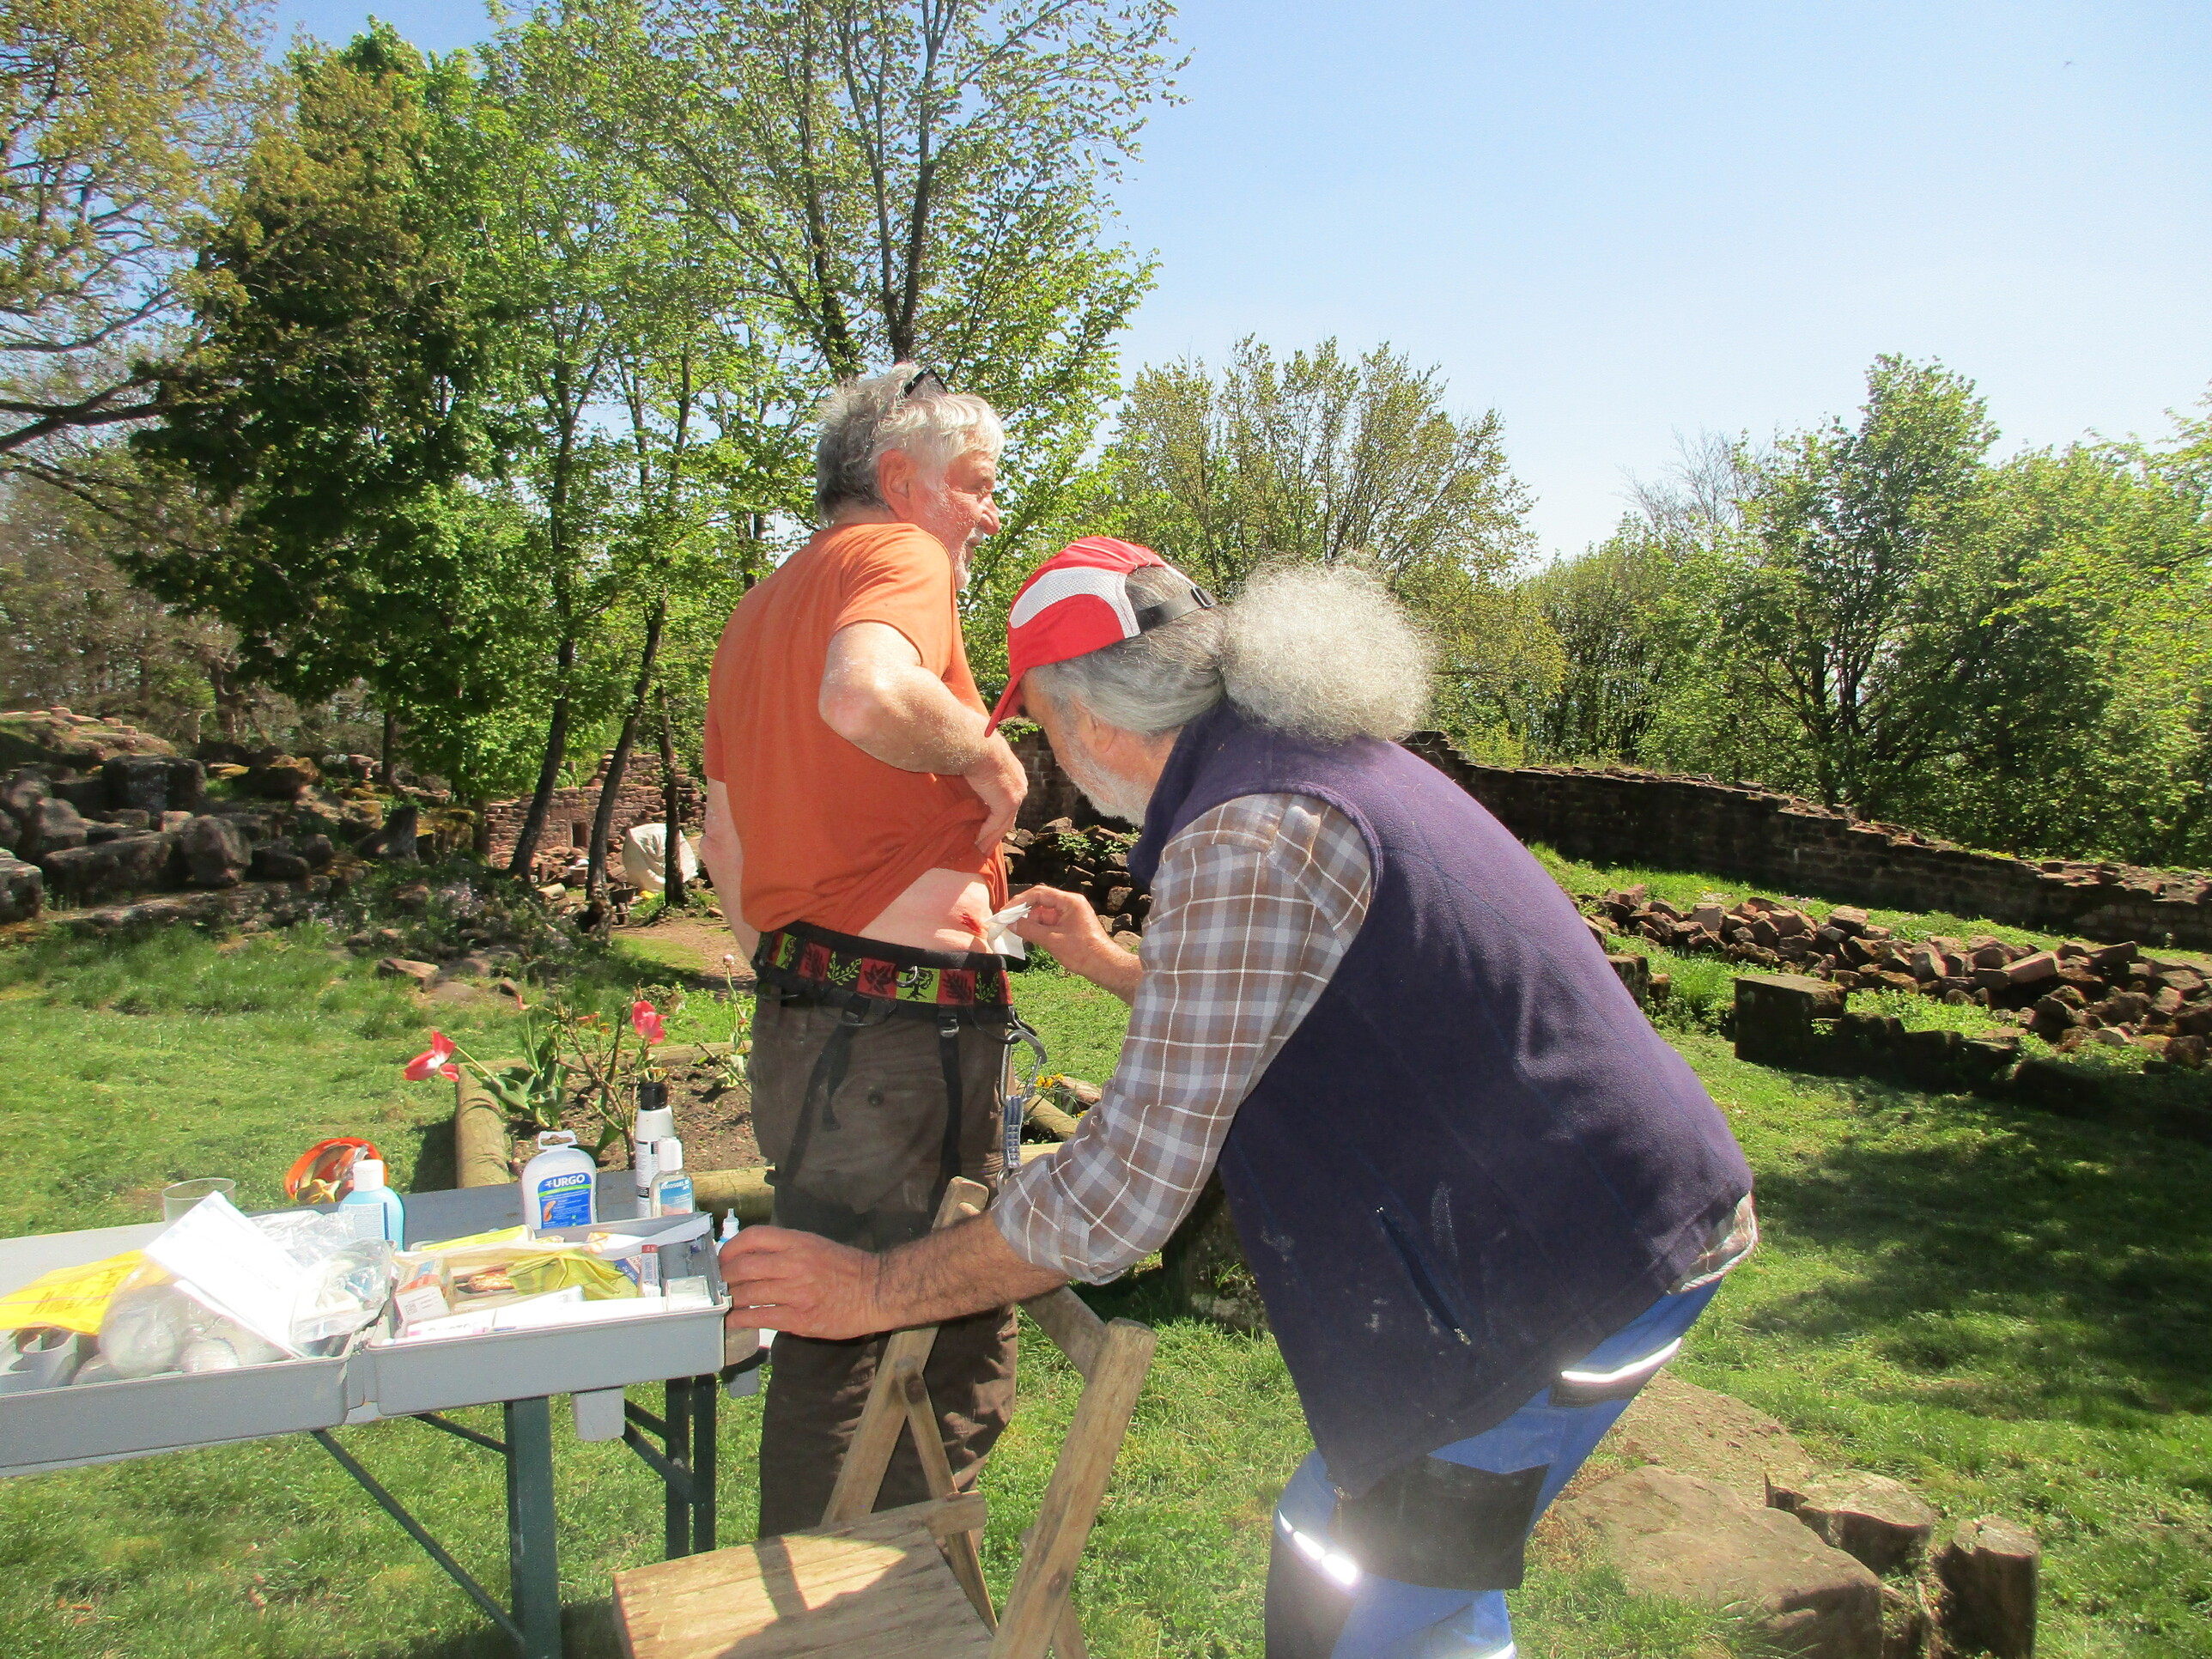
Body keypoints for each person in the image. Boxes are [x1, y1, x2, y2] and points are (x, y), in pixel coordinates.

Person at [720, 539, 1758, 1659]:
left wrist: (872, 1288)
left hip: (1562, 1273)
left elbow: (1119, 1201)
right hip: (1577, 1231)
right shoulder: (1298, 765)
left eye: (1045, 725)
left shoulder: (1250, 833)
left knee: (1367, 1614)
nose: (1053, 754)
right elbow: (1268, 1006)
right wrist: (1108, 960)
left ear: (1088, 718)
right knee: (1360, 1569)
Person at [696, 364, 1030, 1537]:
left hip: (812, 1025)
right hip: (902, 1044)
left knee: (827, 1331)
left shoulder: (759, 608)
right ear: (900, 480)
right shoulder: (901, 555)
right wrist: (991, 757)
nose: (989, 514)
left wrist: (812, 973)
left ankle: (815, 1594)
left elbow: (722, 843)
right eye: (976, 484)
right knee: (936, 1339)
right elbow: (865, 695)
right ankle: (888, 1603)